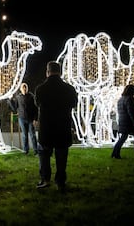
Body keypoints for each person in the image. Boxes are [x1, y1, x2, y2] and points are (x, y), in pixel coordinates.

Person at [34, 61, 78, 191]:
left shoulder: (40, 88)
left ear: (47, 72)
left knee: (44, 155)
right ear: (60, 72)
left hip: (46, 128)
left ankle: (45, 179)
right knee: (61, 156)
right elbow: (74, 103)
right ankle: (60, 182)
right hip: (62, 127)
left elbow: (38, 104)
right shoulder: (69, 88)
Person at [111, 84, 134, 160]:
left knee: (123, 138)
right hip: (129, 122)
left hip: (122, 121)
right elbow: (131, 112)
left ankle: (115, 153)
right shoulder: (130, 99)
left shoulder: (120, 99)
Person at [8, 82, 39, 155]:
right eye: (23, 88)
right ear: (21, 89)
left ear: (27, 88)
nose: (24, 89)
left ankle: (36, 151)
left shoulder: (31, 96)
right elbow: (15, 108)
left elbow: (36, 108)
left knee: (32, 135)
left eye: (25, 87)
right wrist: (10, 100)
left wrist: (36, 119)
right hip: (22, 119)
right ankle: (26, 151)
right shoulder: (18, 97)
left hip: (31, 119)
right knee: (24, 135)